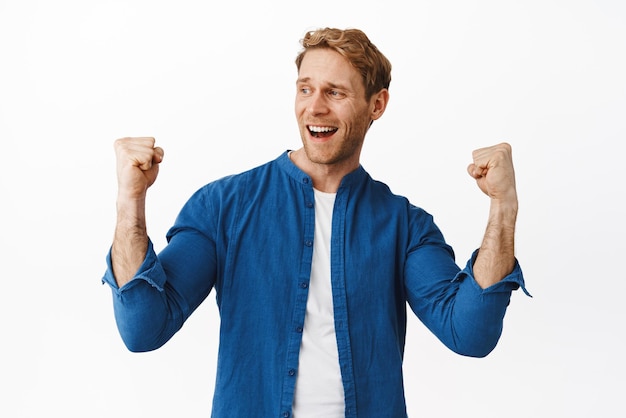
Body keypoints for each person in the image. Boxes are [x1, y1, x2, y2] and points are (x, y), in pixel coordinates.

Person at [102, 27, 528, 418]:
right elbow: (143, 328)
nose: (315, 106)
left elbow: (470, 333)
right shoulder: (223, 206)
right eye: (305, 89)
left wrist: (503, 210)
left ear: (376, 104)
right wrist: (130, 202)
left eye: (335, 92)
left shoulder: (404, 226)